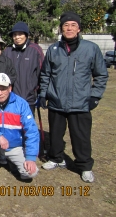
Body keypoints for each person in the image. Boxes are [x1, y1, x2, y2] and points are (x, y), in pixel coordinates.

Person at [40, 12, 108, 183]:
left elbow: (101, 75)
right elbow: (45, 74)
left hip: (80, 102)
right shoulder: (54, 49)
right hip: (56, 101)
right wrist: (43, 94)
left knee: (81, 137)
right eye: (65, 25)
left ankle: (84, 166)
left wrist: (95, 96)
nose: (69, 28)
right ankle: (56, 158)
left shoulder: (90, 48)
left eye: (72, 25)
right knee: (55, 135)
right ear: (61, 28)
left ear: (78, 28)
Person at [4, 22, 44, 114]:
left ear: (26, 35)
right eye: (14, 35)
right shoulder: (8, 50)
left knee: (27, 126)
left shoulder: (35, 50)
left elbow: (42, 72)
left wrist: (39, 92)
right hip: (10, 97)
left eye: (20, 34)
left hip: (29, 97)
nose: (17, 37)